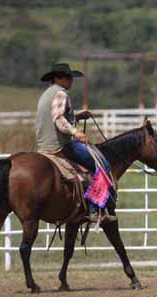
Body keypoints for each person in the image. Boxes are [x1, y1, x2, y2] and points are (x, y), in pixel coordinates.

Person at [36, 63, 113, 223]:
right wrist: (75, 132)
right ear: (58, 78)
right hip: (61, 146)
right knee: (102, 164)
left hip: (43, 145)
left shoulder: (45, 95)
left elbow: (54, 118)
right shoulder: (61, 94)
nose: (71, 80)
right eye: (68, 77)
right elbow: (58, 119)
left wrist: (76, 117)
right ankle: (95, 209)